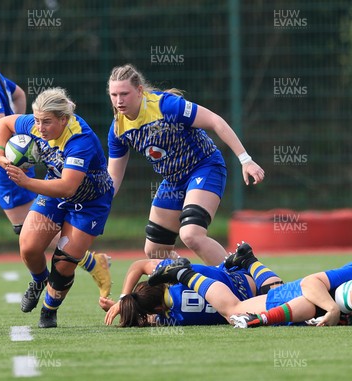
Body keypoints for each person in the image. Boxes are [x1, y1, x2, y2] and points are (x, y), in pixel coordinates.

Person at [0, 31, 111, 313]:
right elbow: (18, 95)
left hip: (3, 169)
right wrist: (16, 142)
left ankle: (90, 263)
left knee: (31, 235)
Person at [106, 64, 265, 266]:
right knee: (155, 251)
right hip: (173, 181)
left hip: (204, 167)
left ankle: (239, 280)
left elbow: (215, 121)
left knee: (191, 234)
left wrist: (246, 160)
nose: (119, 101)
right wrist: (98, 202)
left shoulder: (167, 106)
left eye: (124, 93)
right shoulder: (118, 129)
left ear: (139, 91)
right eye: (114, 94)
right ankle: (186, 274)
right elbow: (114, 177)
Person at [0, 87, 114, 328]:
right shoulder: (35, 123)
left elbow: (69, 187)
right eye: (37, 120)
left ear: (64, 119)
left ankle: (49, 310)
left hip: (89, 202)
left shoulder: (80, 139)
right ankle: (39, 281)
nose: (39, 127)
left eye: (46, 122)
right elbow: (3, 125)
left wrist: (27, 182)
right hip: (54, 191)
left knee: (63, 261)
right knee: (28, 246)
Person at [147, 244, 352, 328]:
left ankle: (247, 261)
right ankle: (183, 273)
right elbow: (311, 283)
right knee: (233, 311)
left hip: (298, 299)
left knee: (273, 291)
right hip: (302, 295)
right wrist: (332, 309)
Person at [102, 242, 283, 327]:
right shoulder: (166, 269)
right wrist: (123, 299)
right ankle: (249, 262)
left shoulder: (174, 319)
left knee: (278, 302)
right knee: (278, 295)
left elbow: (147, 319)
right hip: (239, 282)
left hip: (242, 298)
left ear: (157, 308)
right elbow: (138, 265)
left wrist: (128, 308)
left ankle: (247, 262)